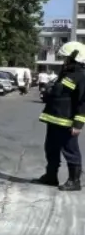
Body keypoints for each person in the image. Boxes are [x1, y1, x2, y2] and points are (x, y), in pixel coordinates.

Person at [32, 41, 85, 191]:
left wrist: (78, 124)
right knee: (51, 149)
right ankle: (51, 177)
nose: (64, 60)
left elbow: (83, 102)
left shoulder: (81, 76)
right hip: (53, 119)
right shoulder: (65, 73)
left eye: (66, 57)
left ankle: (74, 181)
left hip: (67, 122)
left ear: (74, 57)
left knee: (71, 151)